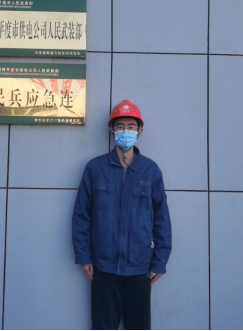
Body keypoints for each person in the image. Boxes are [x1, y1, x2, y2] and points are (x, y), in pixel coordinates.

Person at [72, 99, 172, 330]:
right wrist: (84, 256)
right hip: (103, 268)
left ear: (140, 130)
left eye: (131, 126)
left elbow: (161, 219)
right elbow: (81, 215)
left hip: (140, 268)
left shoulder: (151, 170)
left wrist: (160, 261)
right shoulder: (95, 169)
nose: (126, 131)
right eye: (120, 126)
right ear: (112, 130)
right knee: (103, 326)